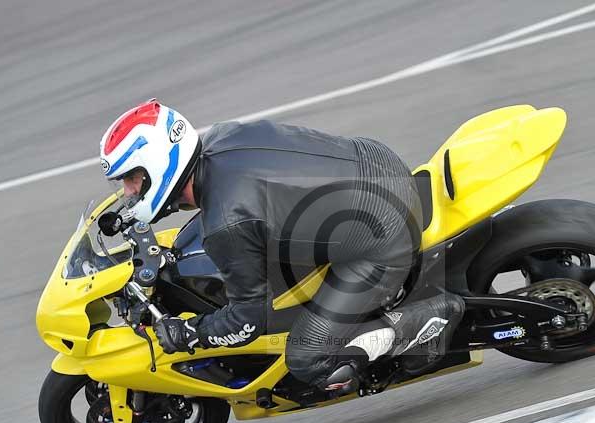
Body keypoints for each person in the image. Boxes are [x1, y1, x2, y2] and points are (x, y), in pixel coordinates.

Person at [100, 99, 464, 395]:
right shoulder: (225, 136)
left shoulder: (226, 224)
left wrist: (191, 333)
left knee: (308, 356)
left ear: (159, 165)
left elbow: (248, 322)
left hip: (384, 238)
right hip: (376, 162)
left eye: (133, 179)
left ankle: (427, 320)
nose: (130, 192)